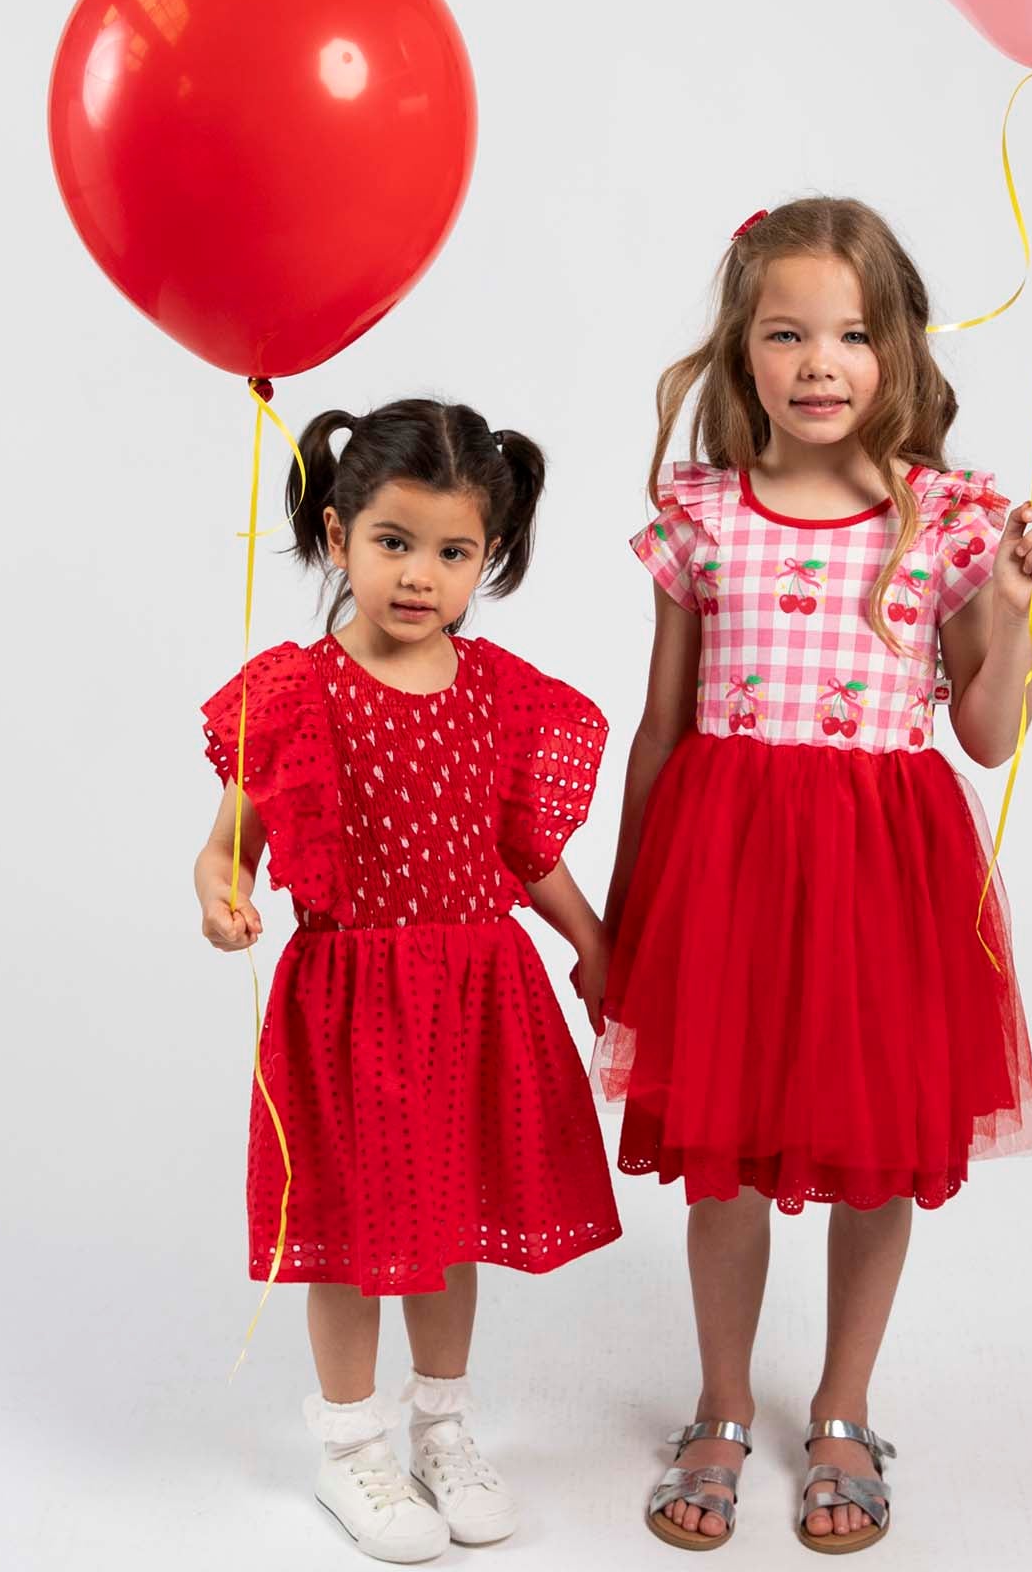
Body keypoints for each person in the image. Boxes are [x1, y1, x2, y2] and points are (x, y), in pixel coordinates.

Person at [596, 200, 1032, 1553]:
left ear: (901, 348)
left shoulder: (952, 516)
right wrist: (628, 916)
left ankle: (847, 1412)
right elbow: (660, 727)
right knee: (725, 1165)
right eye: (788, 332)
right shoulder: (700, 516)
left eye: (855, 334)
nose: (822, 362)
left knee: (876, 1157)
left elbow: (983, 734)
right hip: (727, 874)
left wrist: (1021, 616)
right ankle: (723, 1407)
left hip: (883, 875)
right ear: (741, 349)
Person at [195, 398, 619, 1563]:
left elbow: (528, 848)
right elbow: (230, 841)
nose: (421, 573)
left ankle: (441, 1424)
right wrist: (219, 894)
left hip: (475, 999)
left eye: (452, 550)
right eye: (393, 541)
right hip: (351, 1003)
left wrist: (591, 939)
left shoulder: (498, 690)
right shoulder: (292, 691)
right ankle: (350, 1448)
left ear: (489, 555)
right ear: (337, 536)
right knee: (351, 1230)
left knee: (454, 1221)